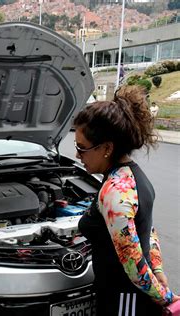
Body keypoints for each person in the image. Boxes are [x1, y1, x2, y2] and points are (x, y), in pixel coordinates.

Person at [73, 85, 179, 315]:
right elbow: (148, 229)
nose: (76, 155)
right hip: (126, 296)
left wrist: (168, 299)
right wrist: (158, 270)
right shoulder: (130, 176)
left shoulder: (115, 191)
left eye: (81, 148)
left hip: (124, 301)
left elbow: (132, 262)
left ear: (107, 148)